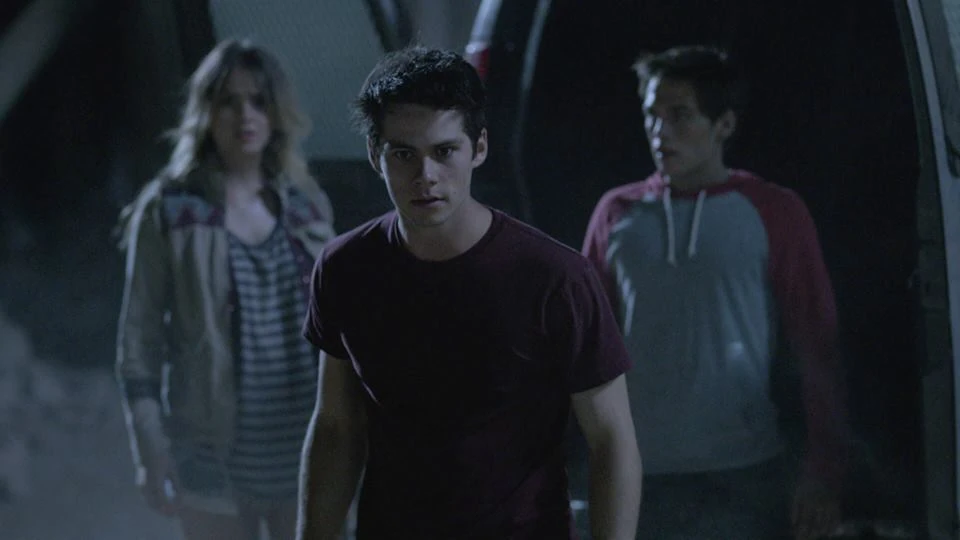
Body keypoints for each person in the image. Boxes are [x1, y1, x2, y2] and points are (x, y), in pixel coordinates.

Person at [297, 46, 642, 540]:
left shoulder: (554, 278)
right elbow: (336, 426)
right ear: (375, 155)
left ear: (478, 148)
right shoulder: (345, 268)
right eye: (403, 153)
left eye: (444, 151)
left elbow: (611, 439)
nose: (425, 176)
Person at [582, 45, 850, 540]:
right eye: (652, 115)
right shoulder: (617, 213)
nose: (660, 132)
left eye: (680, 115)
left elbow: (817, 344)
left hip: (743, 468)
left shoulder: (773, 210)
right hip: (640, 471)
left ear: (723, 124)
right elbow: (586, 348)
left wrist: (822, 472)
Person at [115, 38, 336, 540]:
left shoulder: (307, 205)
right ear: (206, 112)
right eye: (229, 101)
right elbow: (137, 343)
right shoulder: (169, 209)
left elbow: (339, 328)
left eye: (258, 100)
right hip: (209, 453)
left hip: (303, 446)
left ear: (277, 111)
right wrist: (151, 451)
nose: (245, 115)